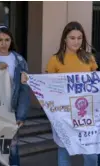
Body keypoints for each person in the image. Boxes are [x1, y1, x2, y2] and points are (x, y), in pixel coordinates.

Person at [45, 21, 98, 166]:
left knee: (92, 154)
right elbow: (47, 87)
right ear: (65, 39)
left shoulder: (89, 59)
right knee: (64, 153)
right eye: (72, 38)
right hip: (64, 114)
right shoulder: (55, 60)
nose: (76, 41)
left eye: (79, 38)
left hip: (87, 114)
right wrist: (29, 80)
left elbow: (96, 84)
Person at [0, 25, 30, 166]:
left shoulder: (19, 60)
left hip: (12, 110)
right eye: (0, 40)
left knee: (12, 148)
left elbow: (24, 90)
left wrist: (21, 115)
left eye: (7, 39)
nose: (4, 43)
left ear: (11, 41)